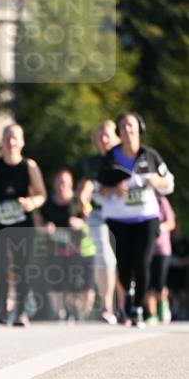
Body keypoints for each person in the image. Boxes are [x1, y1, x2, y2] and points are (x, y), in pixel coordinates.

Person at [99, 112, 175, 327]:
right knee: (124, 265)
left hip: (147, 217)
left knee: (142, 263)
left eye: (130, 125)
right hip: (118, 219)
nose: (127, 129)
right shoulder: (110, 158)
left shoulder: (150, 156)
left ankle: (138, 308)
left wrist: (155, 181)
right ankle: (129, 299)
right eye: (122, 126)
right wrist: (114, 189)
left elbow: (169, 184)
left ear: (139, 128)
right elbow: (98, 190)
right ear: (118, 132)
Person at [0, 123, 46, 326]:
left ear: (22, 142)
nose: (11, 142)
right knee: (0, 266)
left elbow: (42, 194)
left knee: (22, 266)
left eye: (15, 138)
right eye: (7, 138)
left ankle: (22, 310)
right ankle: (3, 307)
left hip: (23, 222)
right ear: (2, 141)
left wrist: (31, 202)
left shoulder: (29, 166)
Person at [36, 169, 96, 322]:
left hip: (75, 251)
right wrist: (45, 228)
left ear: (70, 184)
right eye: (59, 182)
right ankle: (61, 314)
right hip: (53, 250)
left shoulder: (78, 201)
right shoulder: (47, 202)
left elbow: (91, 220)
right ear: (55, 184)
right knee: (55, 284)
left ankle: (75, 311)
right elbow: (37, 223)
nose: (62, 185)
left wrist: (80, 223)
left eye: (65, 182)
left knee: (75, 284)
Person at [77, 120, 120, 323]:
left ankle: (126, 304)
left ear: (116, 138)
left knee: (125, 260)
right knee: (104, 256)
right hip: (99, 214)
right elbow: (87, 185)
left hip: (124, 215)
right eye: (99, 137)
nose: (103, 141)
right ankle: (107, 306)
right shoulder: (92, 162)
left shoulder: (124, 159)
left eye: (107, 136)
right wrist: (83, 199)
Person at [146, 194, 176, 324]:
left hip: (162, 249)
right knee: (148, 284)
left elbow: (171, 223)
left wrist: (159, 228)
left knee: (160, 283)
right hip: (146, 249)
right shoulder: (141, 201)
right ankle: (152, 314)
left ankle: (163, 305)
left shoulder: (161, 201)